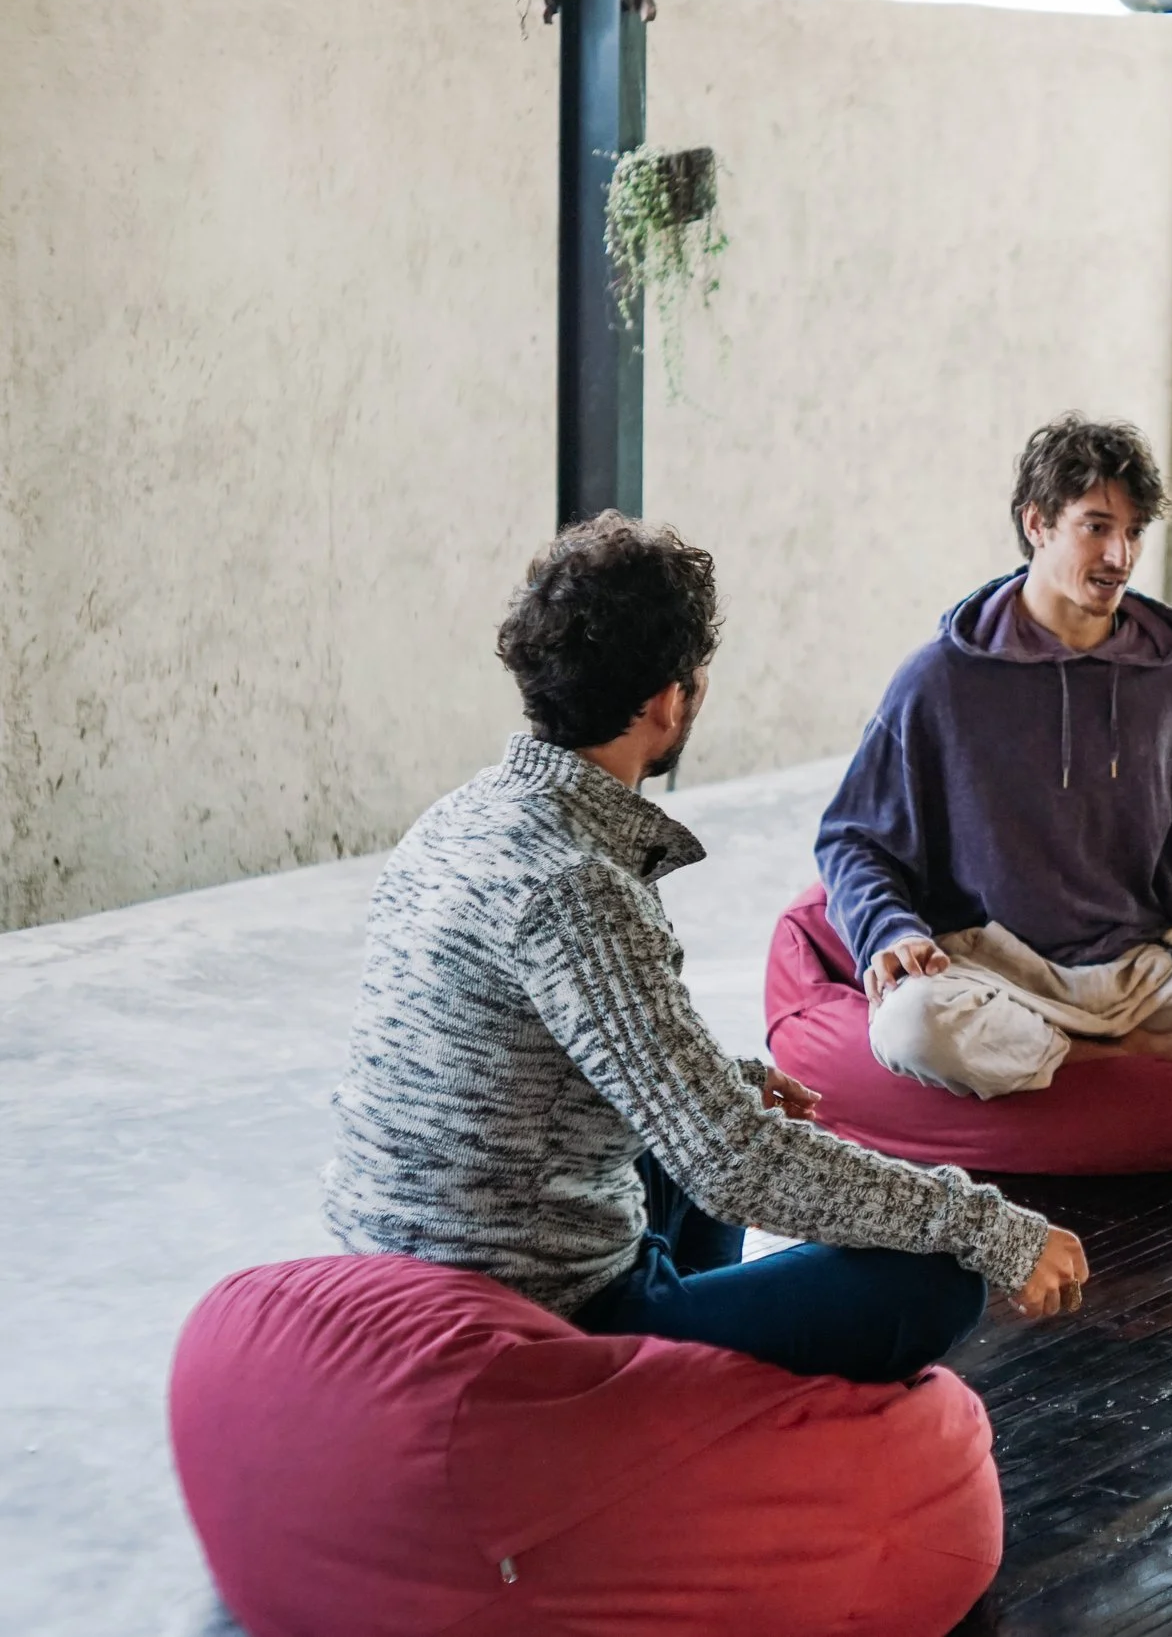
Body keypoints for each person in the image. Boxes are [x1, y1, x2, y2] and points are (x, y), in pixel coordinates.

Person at [324, 513, 1088, 1381]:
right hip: (541, 1304)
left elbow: (556, 1052)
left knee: (727, 1117)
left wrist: (730, 1081)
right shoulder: (579, 884)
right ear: (667, 700)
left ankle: (695, 1361)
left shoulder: (457, 819)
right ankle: (680, 1389)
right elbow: (732, 1162)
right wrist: (991, 1227)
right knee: (940, 1281)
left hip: (414, 1250)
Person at [815, 414, 1172, 1103]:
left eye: (1132, 532)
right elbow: (854, 839)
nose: (1119, 555)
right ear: (1037, 523)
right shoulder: (943, 677)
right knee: (911, 1027)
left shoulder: (1170, 668)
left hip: (1154, 970)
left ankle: (1091, 1060)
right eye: (1096, 526)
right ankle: (1131, 1058)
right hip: (1004, 974)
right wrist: (889, 929)